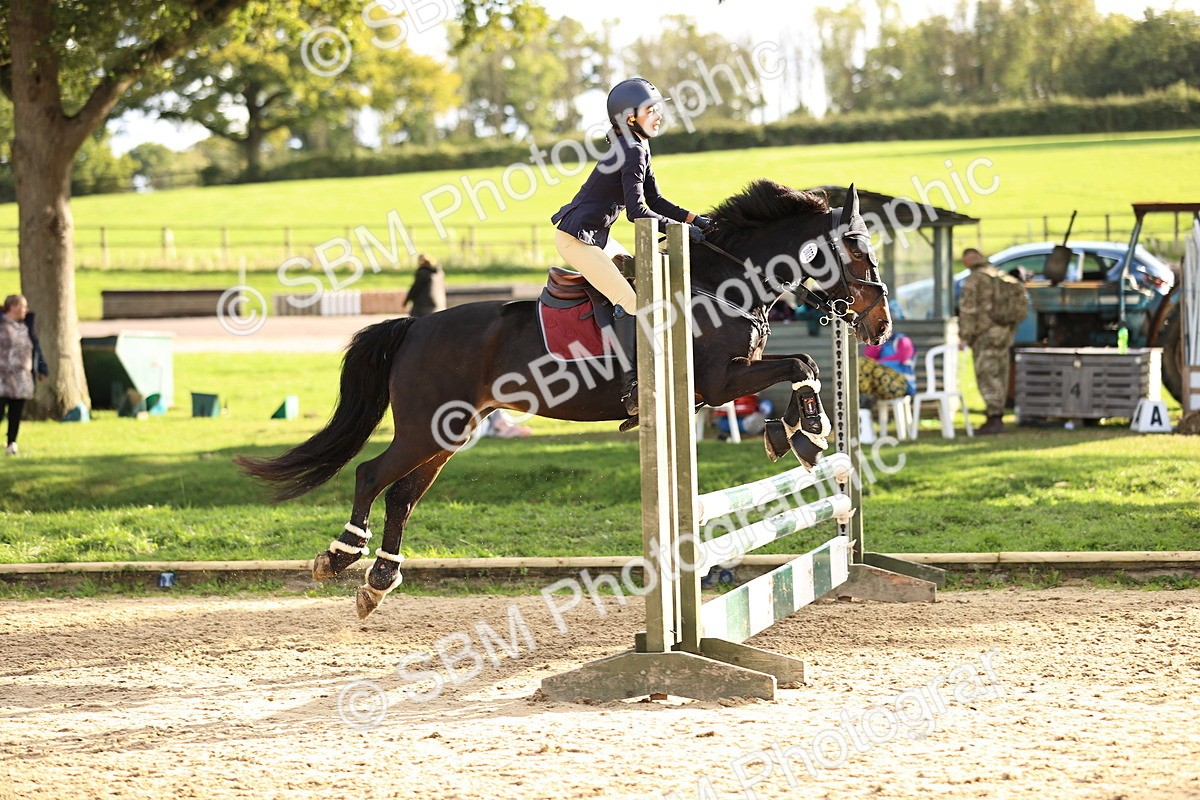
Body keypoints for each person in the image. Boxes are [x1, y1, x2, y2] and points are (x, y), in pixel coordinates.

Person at [551, 77, 709, 415]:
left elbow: (655, 200)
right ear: (630, 118)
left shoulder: (638, 145)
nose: (658, 116)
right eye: (651, 110)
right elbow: (636, 213)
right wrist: (680, 229)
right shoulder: (633, 149)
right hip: (577, 239)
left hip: (596, 236)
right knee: (631, 299)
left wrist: (695, 219)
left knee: (644, 283)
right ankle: (632, 385)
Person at [958, 248, 1023, 434]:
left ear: (967, 262)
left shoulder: (974, 280)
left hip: (985, 335)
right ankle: (997, 414)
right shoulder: (1000, 275)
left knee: (987, 374)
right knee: (1001, 373)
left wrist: (964, 337)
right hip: (1005, 332)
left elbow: (968, 311)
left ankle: (994, 418)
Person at [0, 294, 48, 455]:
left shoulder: (25, 327)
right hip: (2, 378)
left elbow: (36, 349)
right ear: (13, 307)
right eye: (23, 306)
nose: (26, 310)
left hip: (21, 379)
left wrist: (42, 368)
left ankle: (11, 442)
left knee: (16, 412)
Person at [859, 329, 916, 405]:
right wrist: (877, 341)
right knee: (863, 363)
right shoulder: (877, 342)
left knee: (865, 363)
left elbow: (901, 357)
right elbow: (869, 357)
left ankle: (863, 401)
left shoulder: (903, 340)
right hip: (882, 387)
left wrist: (879, 362)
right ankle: (863, 400)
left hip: (902, 385)